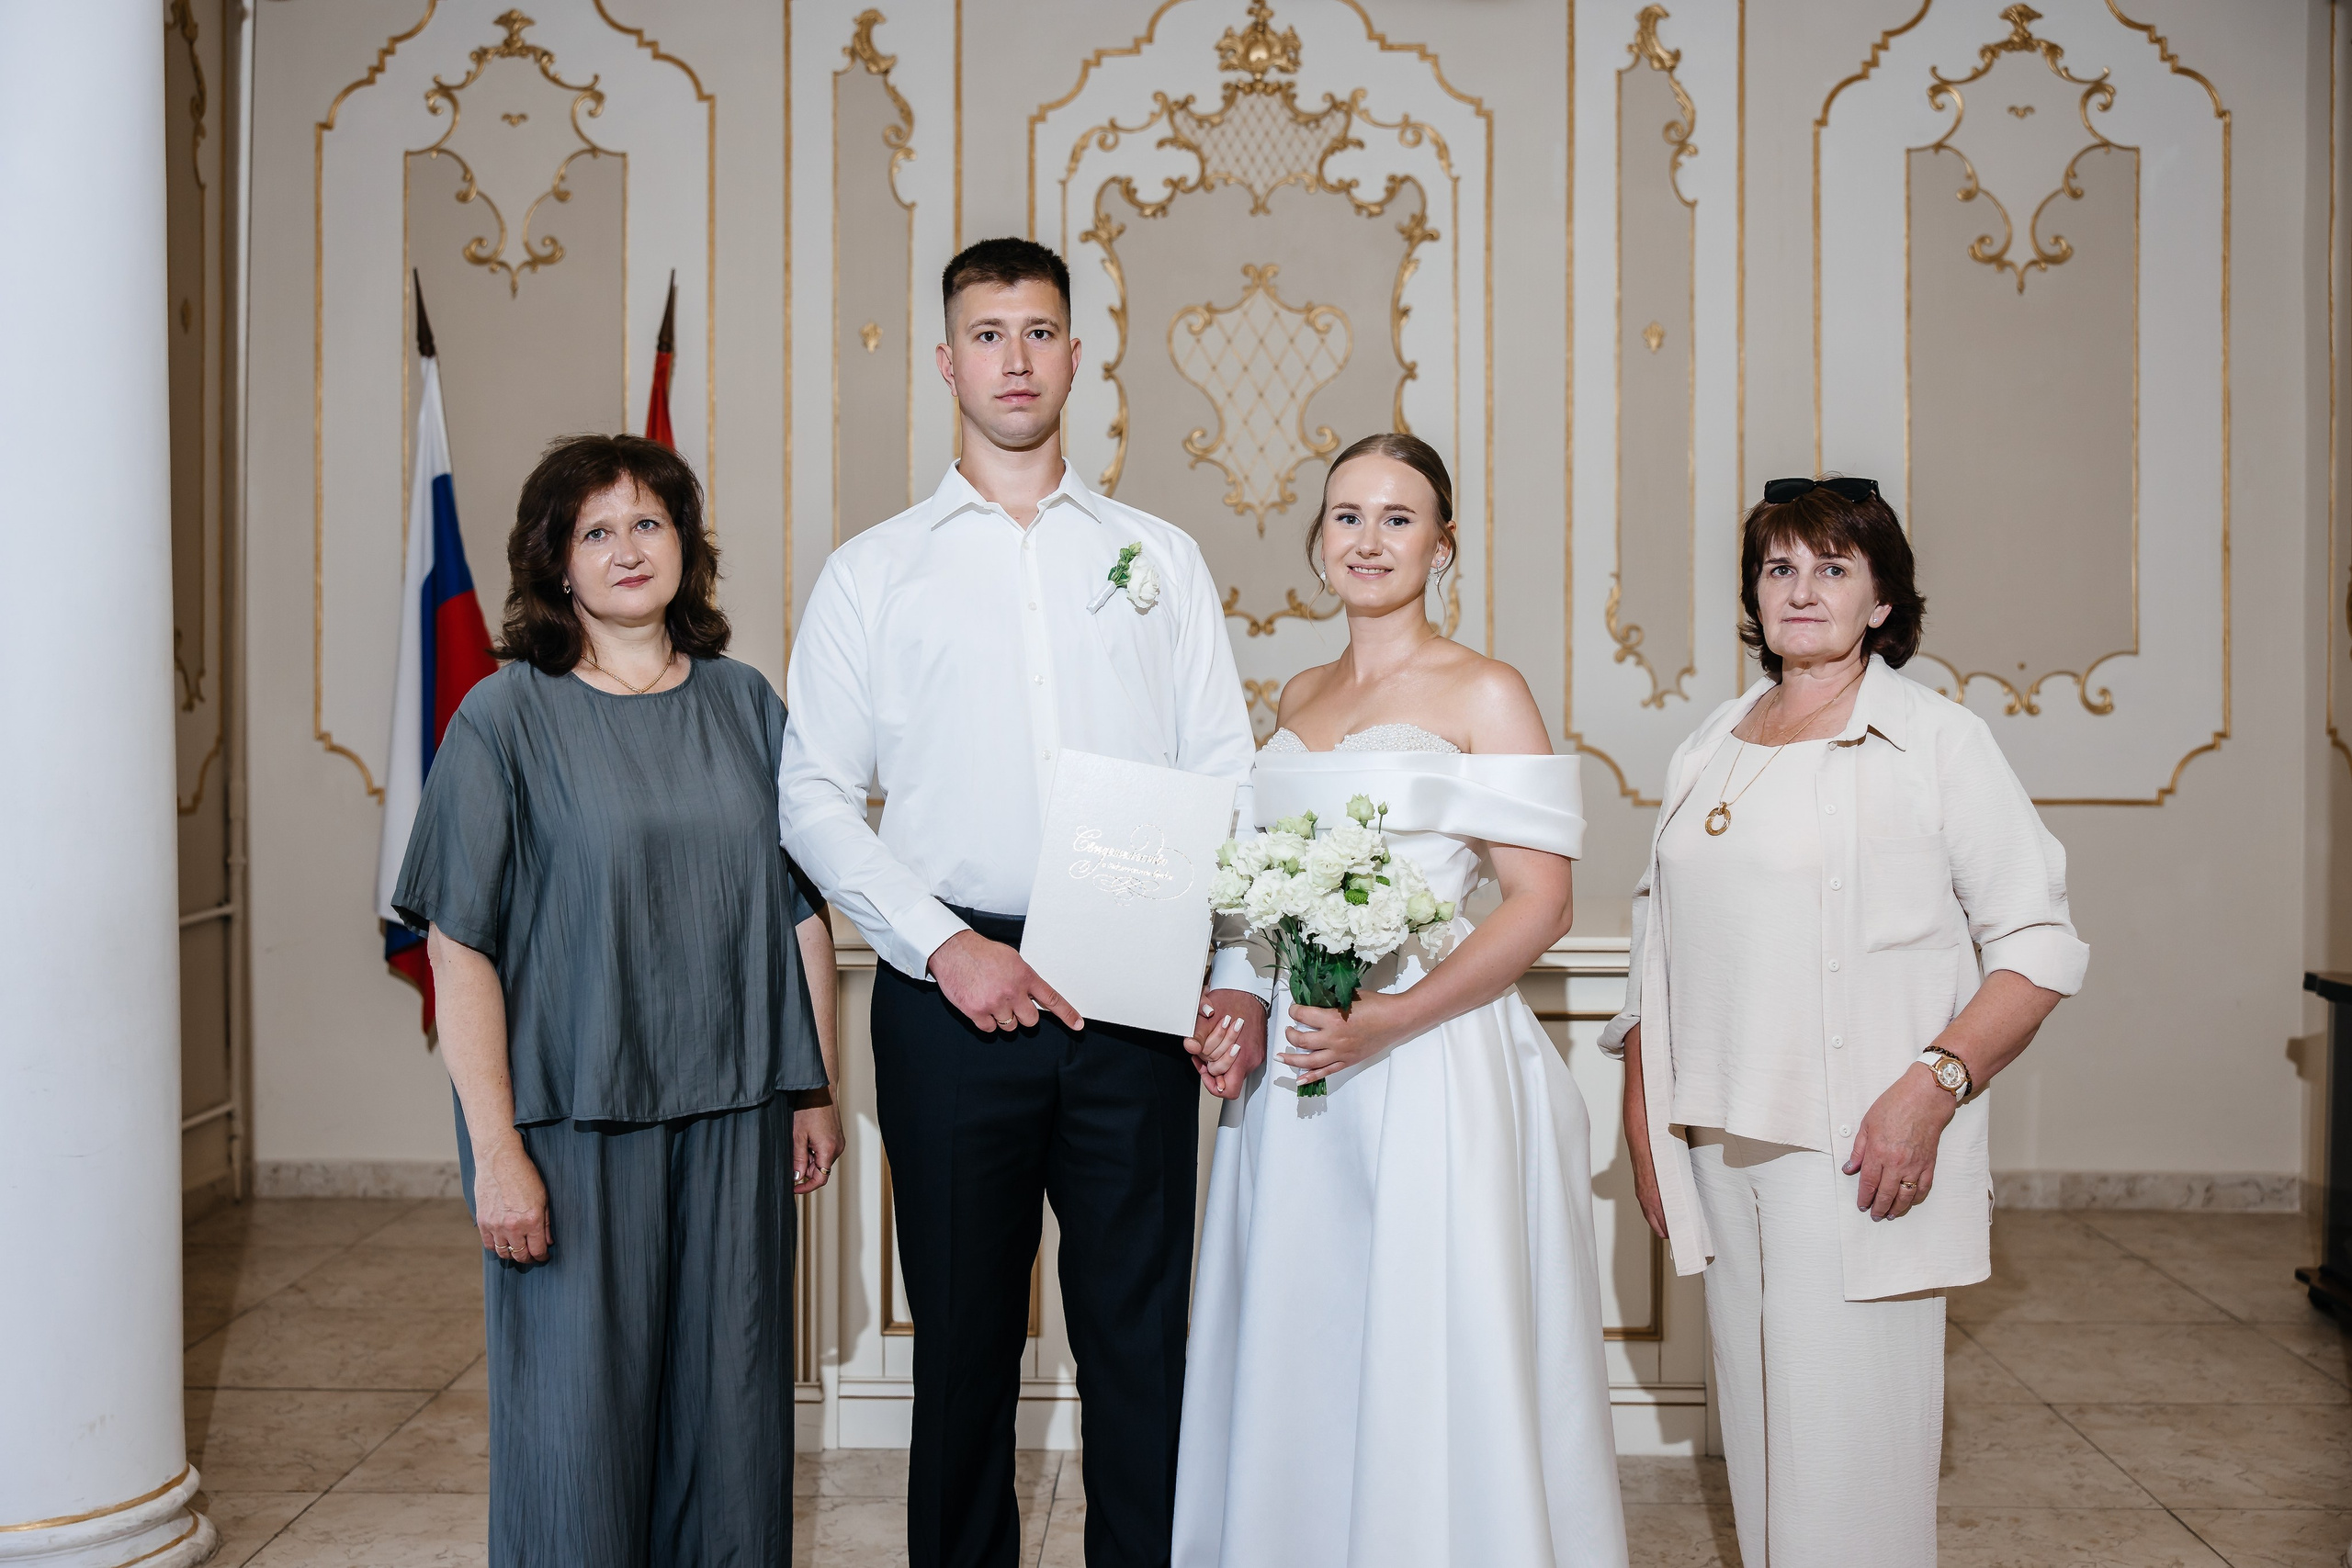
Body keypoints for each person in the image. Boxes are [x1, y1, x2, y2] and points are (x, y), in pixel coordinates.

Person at [778, 238, 1264, 1568]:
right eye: (987, 333)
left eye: (1038, 331)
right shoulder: (873, 571)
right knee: (966, 1351)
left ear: (1075, 356)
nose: (1013, 356)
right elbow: (811, 793)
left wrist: (1235, 966)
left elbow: (1224, 772)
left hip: (1137, 985)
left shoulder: (1158, 555)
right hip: (954, 1000)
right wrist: (945, 947)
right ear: (947, 361)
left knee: (1137, 1338)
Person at [1608, 475, 2088, 1566]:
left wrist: (1933, 1089)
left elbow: (2039, 945)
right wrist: (1645, 1123)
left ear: (1882, 600)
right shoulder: (1712, 742)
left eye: (1833, 568)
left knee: (1847, 1474)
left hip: (1858, 1152)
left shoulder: (1937, 743)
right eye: (1780, 567)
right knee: (1771, 1462)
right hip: (1723, 1144)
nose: (1802, 589)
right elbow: (1655, 951)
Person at [1173, 433, 1630, 1568]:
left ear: (1442, 544)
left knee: (1429, 1328)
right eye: (1344, 517)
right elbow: (1251, 900)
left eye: (1396, 517)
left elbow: (1539, 902)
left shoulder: (1486, 690)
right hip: (1296, 1067)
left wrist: (1388, 1020)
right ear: (1317, 544)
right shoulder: (1297, 692)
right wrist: (1240, 1000)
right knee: (1304, 1324)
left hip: (1425, 1060)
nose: (1367, 540)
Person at [391, 434, 843, 1568]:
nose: (627, 549)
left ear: (686, 546)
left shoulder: (748, 705)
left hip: (737, 1121)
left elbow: (800, 914)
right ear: (554, 567)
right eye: (595, 531)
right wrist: (496, 1154)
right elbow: (459, 948)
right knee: (578, 1435)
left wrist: (816, 1091)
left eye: (648, 522)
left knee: (731, 1423)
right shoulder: (504, 719)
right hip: (571, 1129)